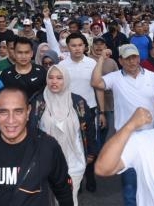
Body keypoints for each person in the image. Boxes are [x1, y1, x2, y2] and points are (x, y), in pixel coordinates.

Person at [0, 87, 73, 206]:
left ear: (28, 112)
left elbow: (63, 190)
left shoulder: (47, 146)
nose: (11, 120)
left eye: (18, 111)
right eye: (3, 112)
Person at [91, 43, 154, 206]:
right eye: (127, 58)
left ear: (139, 57)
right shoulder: (115, 77)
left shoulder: (152, 77)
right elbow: (96, 83)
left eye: (135, 57)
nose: (132, 61)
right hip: (126, 138)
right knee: (130, 184)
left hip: (149, 137)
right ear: (121, 61)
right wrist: (101, 59)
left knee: (150, 180)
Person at [30, 65, 97, 205]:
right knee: (49, 200)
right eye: (51, 77)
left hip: (74, 160)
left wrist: (91, 152)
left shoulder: (78, 102)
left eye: (59, 78)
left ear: (66, 80)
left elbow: (89, 128)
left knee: (69, 199)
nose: (54, 81)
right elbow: (30, 129)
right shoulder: (37, 101)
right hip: (45, 161)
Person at [58, 32, 99, 192]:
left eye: (80, 45)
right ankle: (76, 179)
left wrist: (101, 112)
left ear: (85, 46)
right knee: (73, 145)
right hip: (69, 110)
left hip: (90, 109)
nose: (77, 48)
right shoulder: (62, 66)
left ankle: (90, 176)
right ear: (68, 47)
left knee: (90, 145)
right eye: (73, 45)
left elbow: (97, 87)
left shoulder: (92, 63)